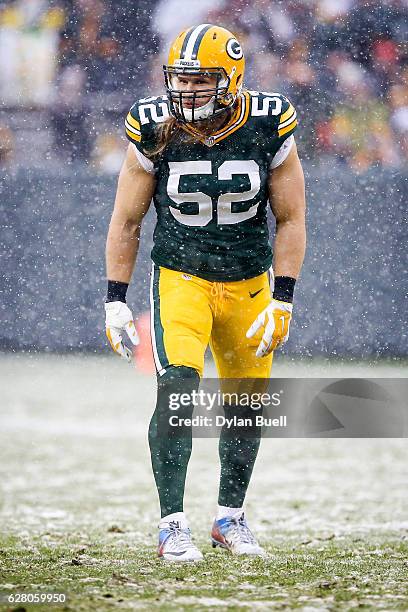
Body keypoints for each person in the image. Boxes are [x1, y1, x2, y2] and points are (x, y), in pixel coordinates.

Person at [105, 24, 306, 562]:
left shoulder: (266, 121)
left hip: (248, 283)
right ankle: (172, 523)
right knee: (177, 390)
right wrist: (115, 297)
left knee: (245, 406)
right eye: (180, 80)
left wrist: (282, 296)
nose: (187, 92)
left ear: (232, 79)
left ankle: (229, 518)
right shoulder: (154, 124)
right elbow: (127, 219)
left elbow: (290, 219)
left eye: (201, 81)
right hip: (182, 277)